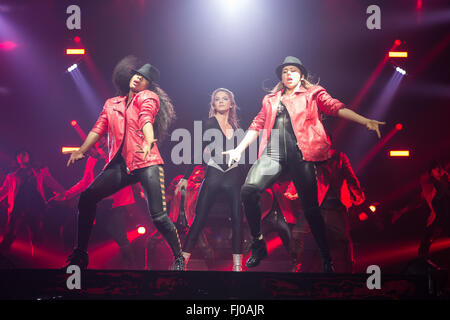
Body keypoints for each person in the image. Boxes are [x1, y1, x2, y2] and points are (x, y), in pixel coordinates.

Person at [223, 56, 385, 272]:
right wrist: (238, 149)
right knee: (249, 190)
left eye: (292, 70)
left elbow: (335, 107)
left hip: (302, 154)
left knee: (311, 210)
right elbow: (257, 124)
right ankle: (258, 243)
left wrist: (365, 120)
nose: (288, 74)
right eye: (285, 71)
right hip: (273, 154)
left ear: (301, 75)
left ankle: (326, 259)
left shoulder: (313, 94)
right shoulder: (270, 99)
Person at [64, 56, 184, 270]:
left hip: (147, 161)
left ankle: (178, 257)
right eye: (137, 75)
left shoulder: (148, 97)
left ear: (149, 85)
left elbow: (146, 118)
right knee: (87, 197)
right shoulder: (112, 104)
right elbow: (98, 128)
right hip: (120, 166)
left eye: (144, 79)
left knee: (158, 216)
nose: (139, 79)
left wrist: (149, 140)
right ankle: (80, 253)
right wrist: (81, 150)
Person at [175, 88, 244, 271]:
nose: (221, 101)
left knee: (237, 218)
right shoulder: (209, 123)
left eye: (225, 99)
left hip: (233, 175)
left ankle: (238, 266)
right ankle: (183, 262)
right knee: (199, 217)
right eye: (217, 99)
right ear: (213, 104)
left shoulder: (237, 128)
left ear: (231, 103)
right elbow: (198, 150)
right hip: (214, 172)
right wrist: (186, 176)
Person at [51, 138, 142, 268]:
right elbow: (85, 181)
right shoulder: (92, 161)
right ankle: (78, 263)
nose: (100, 147)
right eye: (98, 145)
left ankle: (133, 268)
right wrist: (66, 194)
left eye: (103, 144)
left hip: (115, 204)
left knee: (120, 236)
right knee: (81, 232)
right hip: (99, 204)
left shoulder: (117, 156)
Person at [286, 147, 365, 273]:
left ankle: (350, 267)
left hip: (334, 206)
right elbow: (301, 174)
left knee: (343, 238)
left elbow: (349, 175)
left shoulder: (339, 156)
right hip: (315, 206)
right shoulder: (310, 156)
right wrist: (292, 189)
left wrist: (357, 193)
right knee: (297, 232)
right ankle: (296, 266)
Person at [0, 149, 65, 255]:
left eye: (24, 153)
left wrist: (66, 194)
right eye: (19, 154)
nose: (21, 156)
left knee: (36, 237)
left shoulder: (39, 171)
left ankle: (37, 261)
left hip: (35, 208)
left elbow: (52, 183)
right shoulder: (12, 175)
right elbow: (4, 190)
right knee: (10, 234)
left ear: (29, 156)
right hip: (18, 208)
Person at [417, 160, 449, 259]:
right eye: (436, 170)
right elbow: (435, 196)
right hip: (436, 215)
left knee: (435, 232)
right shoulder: (429, 183)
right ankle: (423, 256)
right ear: (431, 172)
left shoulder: (445, 180)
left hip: (443, 214)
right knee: (429, 235)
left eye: (440, 169)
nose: (439, 172)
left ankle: (424, 254)